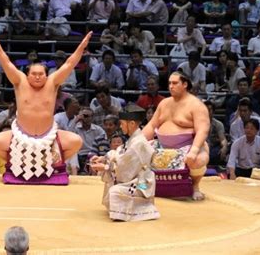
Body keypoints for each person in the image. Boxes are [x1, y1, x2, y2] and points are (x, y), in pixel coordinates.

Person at [0, 28, 92, 184]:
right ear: (27, 74)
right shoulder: (19, 81)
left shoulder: (53, 82)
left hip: (49, 139)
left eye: (41, 74)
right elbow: (5, 61)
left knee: (76, 141)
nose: (37, 77)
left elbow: (69, 63)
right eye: (33, 74)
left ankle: (48, 162)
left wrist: (81, 47)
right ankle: (18, 163)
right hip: (20, 138)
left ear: (46, 75)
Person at [142, 71, 210, 200]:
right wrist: (135, 143)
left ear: (185, 84)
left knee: (198, 160)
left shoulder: (196, 105)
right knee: (137, 153)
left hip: (187, 146)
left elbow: (202, 130)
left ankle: (195, 186)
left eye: (174, 83)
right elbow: (151, 126)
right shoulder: (164, 103)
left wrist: (194, 151)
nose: (171, 86)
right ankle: (143, 186)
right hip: (161, 146)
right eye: (169, 83)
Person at [90, 105, 160, 222]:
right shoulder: (133, 139)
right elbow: (120, 153)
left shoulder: (138, 143)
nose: (121, 127)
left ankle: (138, 211)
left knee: (115, 191)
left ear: (131, 124)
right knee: (110, 184)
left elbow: (124, 168)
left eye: (122, 123)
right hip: (135, 178)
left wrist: (106, 167)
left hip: (142, 185)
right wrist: (104, 158)